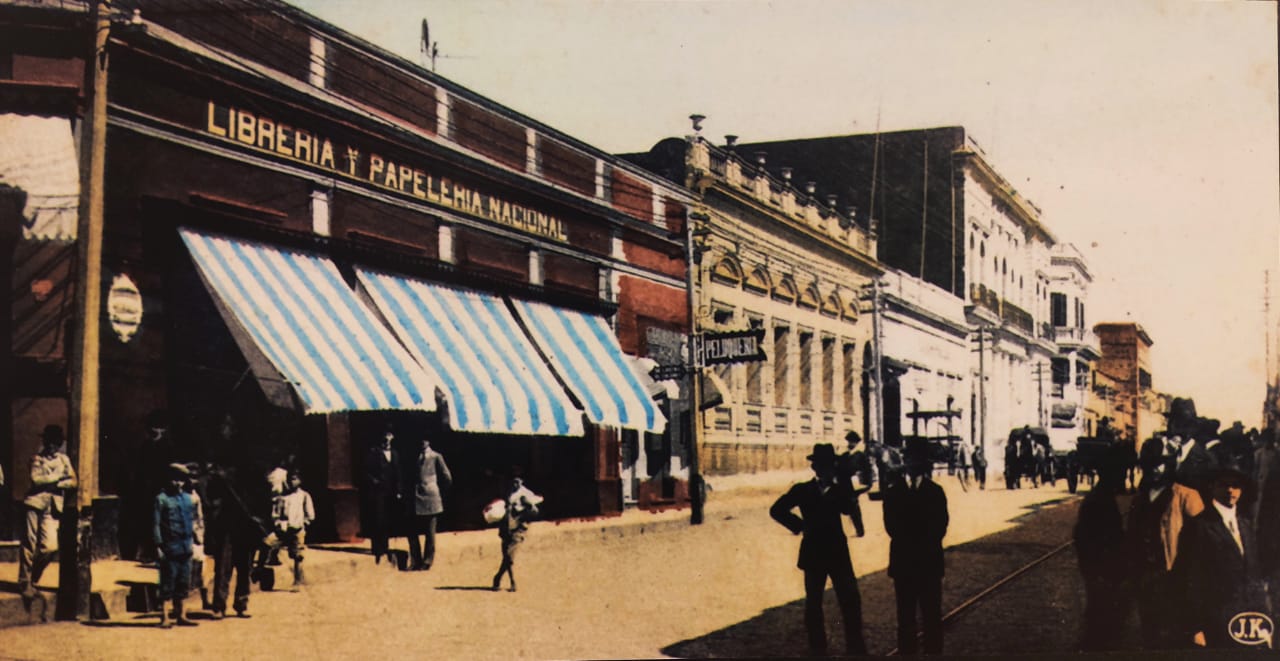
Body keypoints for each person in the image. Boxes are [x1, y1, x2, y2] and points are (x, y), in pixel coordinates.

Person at [769, 443, 868, 656]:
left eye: (829, 466)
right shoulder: (802, 490)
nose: (825, 470)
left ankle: (856, 648)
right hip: (814, 552)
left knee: (850, 599)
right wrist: (799, 525)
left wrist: (844, 486)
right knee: (814, 603)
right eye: (821, 466)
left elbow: (849, 509)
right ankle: (818, 648)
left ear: (833, 467)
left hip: (837, 553)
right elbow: (776, 510)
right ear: (815, 468)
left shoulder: (839, 489)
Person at [1176, 459, 1268, 648]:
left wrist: (1263, 621)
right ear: (1212, 487)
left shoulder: (1246, 525)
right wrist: (1195, 627)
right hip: (1215, 622)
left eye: (1235, 486)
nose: (1230, 491)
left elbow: (1254, 576)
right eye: (1224, 485)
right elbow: (1187, 579)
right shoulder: (1199, 526)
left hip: (1247, 623)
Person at [1127, 435, 1203, 649]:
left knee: (1174, 630)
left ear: (1168, 465)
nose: (1154, 470)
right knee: (1149, 628)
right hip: (1145, 573)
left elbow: (1201, 543)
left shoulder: (1187, 497)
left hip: (1173, 573)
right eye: (1149, 465)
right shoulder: (1140, 497)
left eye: (1159, 464)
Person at [883, 442, 948, 655]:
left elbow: (940, 526)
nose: (912, 466)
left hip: (928, 563)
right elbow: (891, 526)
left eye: (916, 462)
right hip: (904, 564)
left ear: (923, 465)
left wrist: (914, 537)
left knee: (931, 617)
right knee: (905, 618)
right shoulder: (893, 493)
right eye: (909, 461)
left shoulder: (936, 492)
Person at [1073, 451, 1127, 651]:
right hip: (1101, 567)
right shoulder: (1099, 500)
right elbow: (1086, 536)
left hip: (1098, 566)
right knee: (1100, 609)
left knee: (1098, 608)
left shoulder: (1102, 496)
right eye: (1118, 473)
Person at [18, 424, 76, 599]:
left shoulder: (64, 459)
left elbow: (73, 481)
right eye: (49, 442)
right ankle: (25, 582)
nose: (52, 446)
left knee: (50, 546)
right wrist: (59, 477)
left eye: (56, 443)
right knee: (29, 543)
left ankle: (33, 576)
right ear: (45, 442)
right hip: (34, 504)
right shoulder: (36, 458)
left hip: (53, 508)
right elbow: (36, 480)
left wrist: (54, 483)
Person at [206, 459, 266, 619]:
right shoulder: (222, 478)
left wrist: (259, 521)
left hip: (246, 531)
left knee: (245, 569)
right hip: (227, 530)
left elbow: (262, 503)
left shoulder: (255, 478)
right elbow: (212, 502)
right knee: (223, 569)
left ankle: (241, 604)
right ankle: (219, 606)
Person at [154, 463, 200, 628]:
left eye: (181, 480)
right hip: (170, 547)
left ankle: (181, 615)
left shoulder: (188, 500)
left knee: (183, 582)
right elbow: (156, 524)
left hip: (185, 546)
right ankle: (165, 616)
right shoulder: (162, 499)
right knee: (168, 582)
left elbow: (193, 520)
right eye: (174, 480)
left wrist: (195, 539)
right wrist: (158, 545)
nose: (178, 484)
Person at [130, 410, 175, 563]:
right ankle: (148, 552)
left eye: (158, 427)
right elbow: (140, 469)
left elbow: (169, 470)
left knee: (160, 522)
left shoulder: (167, 447)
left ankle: (159, 553)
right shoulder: (146, 446)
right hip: (145, 490)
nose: (155, 430)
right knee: (147, 521)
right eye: (152, 427)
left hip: (160, 489)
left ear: (163, 429)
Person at [406, 436, 452, 571]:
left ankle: (427, 561)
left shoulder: (436, 456)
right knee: (411, 531)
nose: (422, 442)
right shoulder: (413, 456)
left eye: (425, 439)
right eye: (420, 439)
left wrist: (438, 490)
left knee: (430, 532)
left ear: (429, 441)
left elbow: (447, 476)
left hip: (431, 497)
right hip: (415, 497)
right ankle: (415, 560)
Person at [492, 476, 543, 593]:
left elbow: (535, 512)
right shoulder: (507, 491)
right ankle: (499, 577)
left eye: (518, 481)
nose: (516, 483)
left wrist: (528, 507)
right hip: (506, 527)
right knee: (506, 556)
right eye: (514, 481)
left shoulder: (526, 494)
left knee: (510, 556)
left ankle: (512, 581)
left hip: (518, 529)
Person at [265, 470, 314, 589]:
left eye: (294, 479)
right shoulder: (282, 497)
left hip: (297, 530)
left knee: (297, 556)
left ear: (300, 481)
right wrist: (277, 523)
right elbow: (275, 513)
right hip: (282, 529)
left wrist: (303, 524)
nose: (291, 482)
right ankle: (263, 575)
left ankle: (297, 581)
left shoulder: (304, 496)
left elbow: (310, 514)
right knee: (267, 545)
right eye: (289, 479)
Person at [362, 424, 403, 565]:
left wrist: (398, 491)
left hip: (390, 492)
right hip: (377, 492)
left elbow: (398, 474)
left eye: (390, 436)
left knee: (387, 519)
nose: (387, 440)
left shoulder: (395, 454)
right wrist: (375, 481)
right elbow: (366, 472)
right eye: (385, 436)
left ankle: (385, 547)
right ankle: (377, 547)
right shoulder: (374, 453)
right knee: (378, 518)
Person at [837, 431, 871, 537]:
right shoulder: (845, 455)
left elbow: (867, 470)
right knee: (846, 506)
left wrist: (865, 483)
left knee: (854, 507)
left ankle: (860, 530)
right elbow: (839, 467)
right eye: (849, 441)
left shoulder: (861, 455)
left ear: (856, 443)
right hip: (844, 484)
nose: (849, 444)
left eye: (852, 442)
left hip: (854, 485)